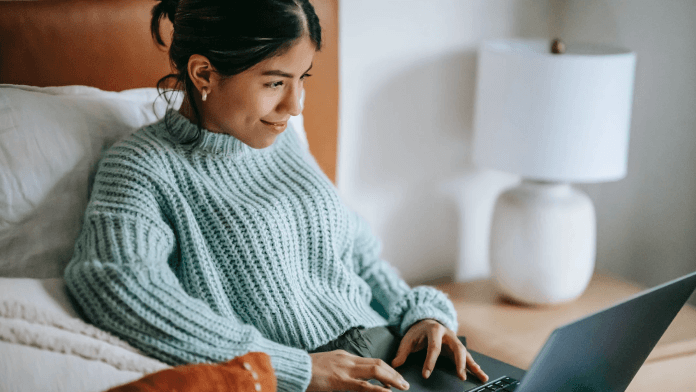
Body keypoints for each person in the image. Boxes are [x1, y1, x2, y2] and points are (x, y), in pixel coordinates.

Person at [64, 1, 489, 391]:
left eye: (301, 78)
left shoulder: (282, 142)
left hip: (397, 355)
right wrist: (293, 369)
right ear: (203, 74)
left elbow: (358, 256)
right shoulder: (142, 166)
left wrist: (422, 315)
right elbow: (116, 284)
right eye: (274, 83)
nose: (296, 105)